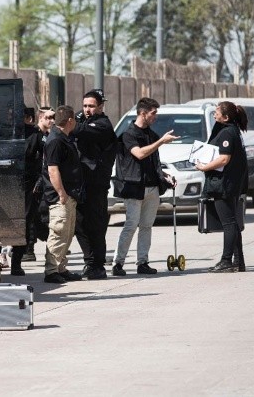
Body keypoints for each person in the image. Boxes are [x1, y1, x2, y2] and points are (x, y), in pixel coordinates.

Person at [111, 98, 179, 276]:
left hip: (152, 188)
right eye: (153, 113)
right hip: (134, 187)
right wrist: (161, 142)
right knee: (131, 224)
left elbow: (152, 162)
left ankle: (143, 262)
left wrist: (165, 175)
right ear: (143, 113)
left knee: (146, 226)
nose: (155, 117)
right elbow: (140, 154)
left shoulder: (151, 134)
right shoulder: (129, 134)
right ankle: (118, 263)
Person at [195, 101, 249, 273]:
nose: (214, 114)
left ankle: (226, 260)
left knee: (229, 223)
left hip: (224, 184)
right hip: (230, 183)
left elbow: (224, 159)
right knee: (232, 222)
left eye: (217, 112)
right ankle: (238, 261)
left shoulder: (227, 133)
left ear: (226, 117)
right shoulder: (233, 130)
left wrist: (204, 167)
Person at [72, 89, 117, 280]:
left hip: (96, 185)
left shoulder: (103, 125)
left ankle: (98, 265)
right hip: (81, 183)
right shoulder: (81, 120)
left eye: (91, 106)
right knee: (79, 225)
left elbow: (78, 130)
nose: (87, 109)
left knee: (96, 226)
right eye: (85, 106)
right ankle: (89, 262)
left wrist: (68, 120)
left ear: (100, 107)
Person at [42, 106, 84, 284]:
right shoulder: (55, 141)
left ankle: (61, 267)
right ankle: (51, 271)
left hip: (69, 194)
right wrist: (61, 193)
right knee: (58, 233)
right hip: (60, 196)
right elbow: (53, 170)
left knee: (67, 233)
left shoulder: (63, 138)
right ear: (70, 121)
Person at [18, 106, 55, 267]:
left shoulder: (40, 136)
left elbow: (46, 162)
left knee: (30, 218)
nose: (51, 121)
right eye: (48, 117)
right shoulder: (26, 135)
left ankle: (24, 253)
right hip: (20, 183)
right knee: (30, 218)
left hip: (33, 183)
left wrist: (40, 180)